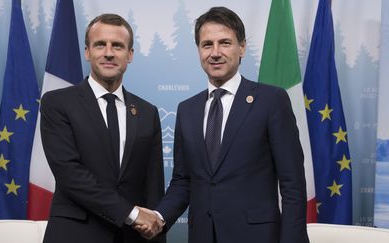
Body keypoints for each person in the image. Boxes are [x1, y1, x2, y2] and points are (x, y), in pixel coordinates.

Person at [137, 6, 309, 243]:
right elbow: (183, 181)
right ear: (198, 50)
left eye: (225, 43)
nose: (215, 52)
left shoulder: (271, 100)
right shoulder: (187, 109)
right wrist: (158, 216)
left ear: (242, 48)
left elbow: (293, 184)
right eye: (207, 44)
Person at [40, 13, 165, 243]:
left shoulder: (147, 112)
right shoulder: (56, 103)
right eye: (100, 45)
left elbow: (153, 186)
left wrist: (155, 231)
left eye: (117, 46)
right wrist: (132, 214)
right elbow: (71, 174)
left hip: (133, 238)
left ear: (130, 55)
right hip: (75, 235)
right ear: (87, 52)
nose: (108, 53)